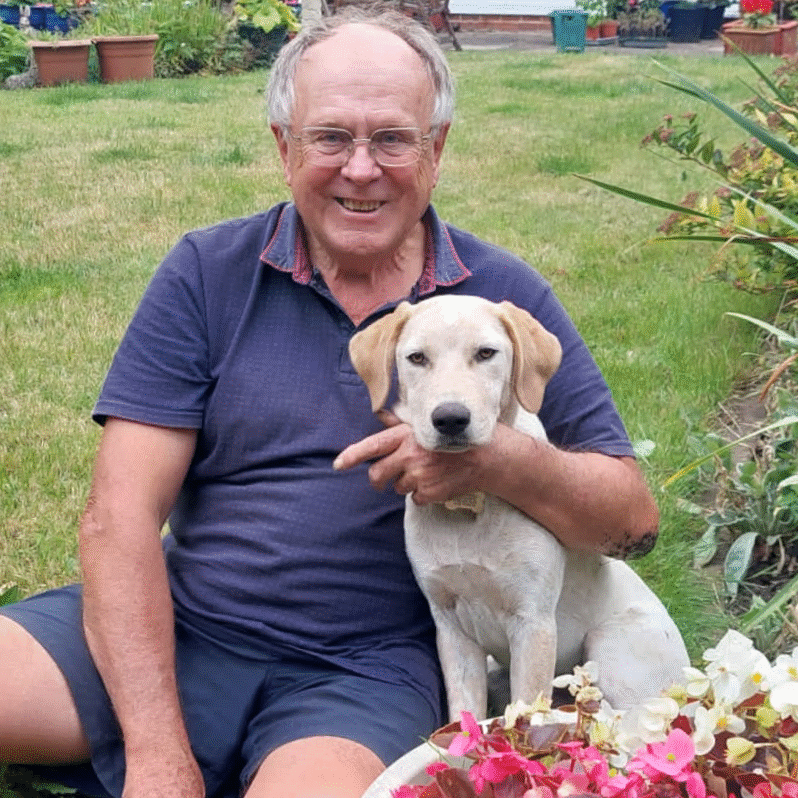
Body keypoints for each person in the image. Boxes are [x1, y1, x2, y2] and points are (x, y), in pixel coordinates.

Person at [0, 8, 660, 798]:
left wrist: (496, 458)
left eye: (391, 139)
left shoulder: (503, 304)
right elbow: (118, 519)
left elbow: (631, 522)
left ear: (436, 150)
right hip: (181, 620)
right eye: (329, 138)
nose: (360, 168)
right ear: (284, 147)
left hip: (364, 671)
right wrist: (157, 760)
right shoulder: (207, 273)